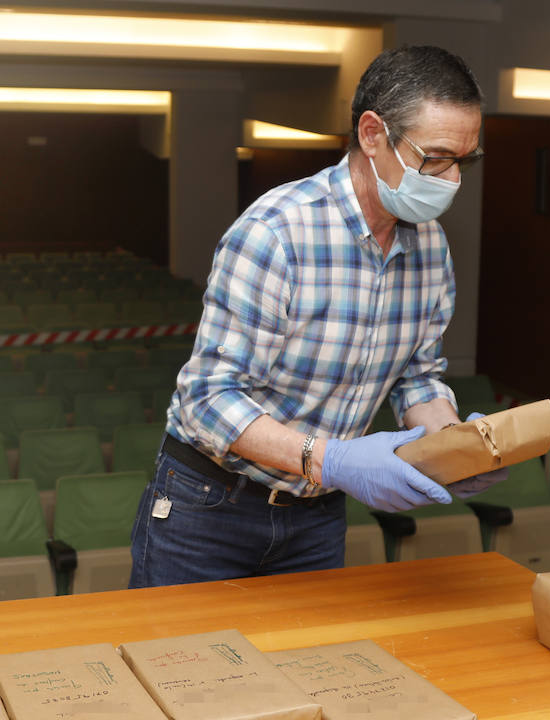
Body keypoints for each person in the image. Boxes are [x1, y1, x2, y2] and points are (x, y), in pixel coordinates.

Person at [129, 45, 506, 588]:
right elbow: (207, 400)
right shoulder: (276, 233)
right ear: (372, 134)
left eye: (463, 161)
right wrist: (333, 460)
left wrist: (454, 448)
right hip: (210, 505)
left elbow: (417, 379)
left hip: (316, 515)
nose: (452, 180)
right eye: (436, 158)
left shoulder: (430, 249)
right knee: (183, 646)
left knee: (309, 647)